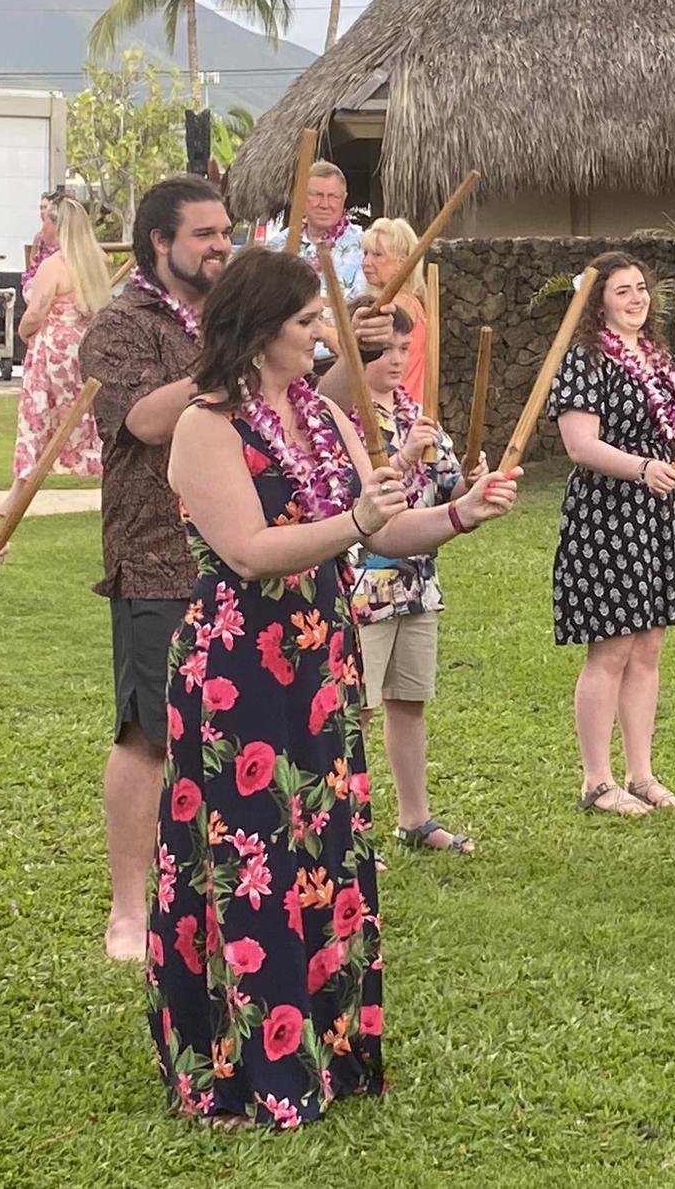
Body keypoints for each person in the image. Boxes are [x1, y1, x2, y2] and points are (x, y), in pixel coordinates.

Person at [147, 248, 519, 1128]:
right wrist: (355, 521)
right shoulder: (206, 424)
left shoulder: (319, 414)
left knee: (317, 849)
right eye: (309, 321)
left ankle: (327, 1049)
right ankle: (238, 1069)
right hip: (239, 665)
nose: (325, 334)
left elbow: (380, 528)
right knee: (248, 858)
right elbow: (247, 549)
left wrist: (462, 513)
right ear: (260, 325)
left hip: (319, 655)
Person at [80, 175, 233, 961]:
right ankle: (129, 911)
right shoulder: (118, 327)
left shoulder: (234, 317)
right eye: (203, 233)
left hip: (240, 546)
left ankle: (221, 888)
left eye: (225, 231)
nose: (220, 245)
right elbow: (141, 420)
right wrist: (226, 355)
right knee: (148, 732)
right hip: (154, 554)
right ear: (158, 244)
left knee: (232, 728)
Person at [549, 251, 675, 816]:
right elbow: (581, 446)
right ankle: (597, 780)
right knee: (613, 647)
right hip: (607, 512)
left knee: (649, 646)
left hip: (656, 515)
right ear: (597, 301)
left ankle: (641, 772)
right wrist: (642, 468)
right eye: (622, 290)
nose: (636, 298)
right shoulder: (583, 360)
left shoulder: (660, 359)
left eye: (641, 288)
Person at [349, 300, 481, 854]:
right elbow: (363, 495)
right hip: (365, 587)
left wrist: (473, 485)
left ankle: (415, 817)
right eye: (386, 348)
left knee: (409, 700)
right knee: (352, 707)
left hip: (417, 583)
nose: (398, 358)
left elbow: (449, 485)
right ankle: (348, 831)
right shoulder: (343, 415)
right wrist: (402, 456)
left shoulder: (417, 414)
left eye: (406, 347)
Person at [0, 197, 110, 520]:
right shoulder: (94, 262)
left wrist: (23, 333)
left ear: (58, 226)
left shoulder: (55, 266)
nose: (42, 228)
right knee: (82, 419)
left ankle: (16, 496)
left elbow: (36, 312)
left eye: (46, 221)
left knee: (35, 421)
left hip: (51, 352)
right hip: (82, 350)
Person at [261, 161, 367, 361]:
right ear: (301, 197)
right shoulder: (278, 247)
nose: (325, 204)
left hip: (338, 362)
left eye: (333, 196)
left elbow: (357, 309)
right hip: (285, 360)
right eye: (317, 195)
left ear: (344, 199)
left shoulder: (363, 246)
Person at [360, 218, 428, 403]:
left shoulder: (397, 306)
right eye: (365, 253)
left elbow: (357, 352)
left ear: (401, 263)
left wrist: (323, 332)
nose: (366, 262)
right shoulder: (413, 300)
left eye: (377, 255)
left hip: (399, 409)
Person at [21, 191, 59, 294]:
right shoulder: (39, 237)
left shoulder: (63, 236)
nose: (42, 211)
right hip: (39, 278)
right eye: (40, 208)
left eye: (45, 207)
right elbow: (32, 262)